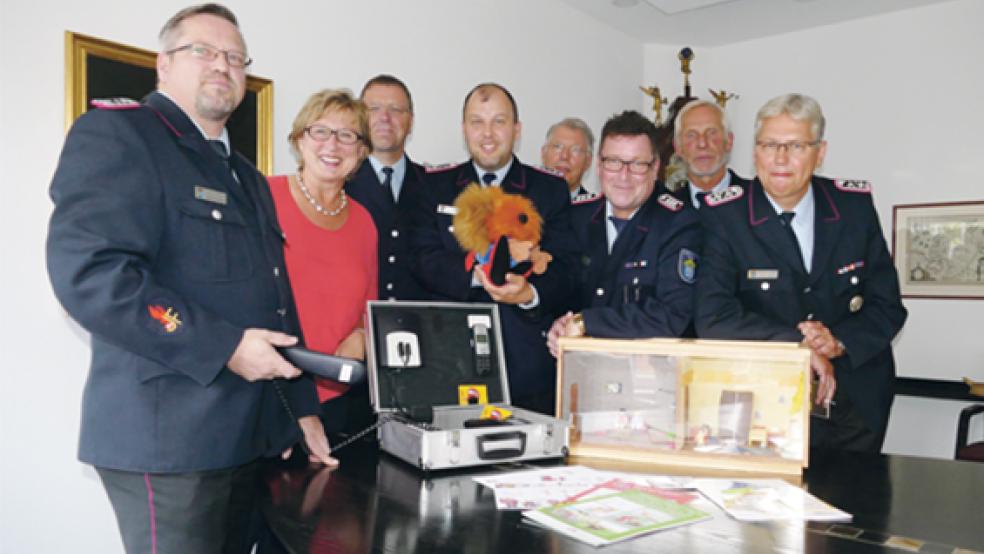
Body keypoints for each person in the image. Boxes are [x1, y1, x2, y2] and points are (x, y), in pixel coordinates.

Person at [45, 4, 331, 553]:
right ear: (163, 64)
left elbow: (274, 302)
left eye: (234, 57)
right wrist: (223, 346)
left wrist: (304, 410)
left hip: (248, 438)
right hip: (169, 439)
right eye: (202, 50)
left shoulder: (244, 173)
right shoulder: (120, 133)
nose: (221, 65)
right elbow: (92, 274)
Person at [695, 93, 907, 453]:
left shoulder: (853, 208)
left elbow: (888, 306)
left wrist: (838, 340)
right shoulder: (724, 216)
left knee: (856, 503)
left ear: (819, 152)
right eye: (769, 145)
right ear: (755, 152)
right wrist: (796, 344)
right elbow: (713, 316)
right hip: (764, 402)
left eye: (795, 145)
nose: (780, 158)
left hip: (856, 400)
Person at [409, 83, 578, 414]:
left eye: (499, 121)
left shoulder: (549, 190)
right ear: (464, 129)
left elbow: (568, 269)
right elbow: (421, 259)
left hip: (527, 371)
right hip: (450, 362)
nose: (488, 133)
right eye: (477, 122)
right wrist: (478, 275)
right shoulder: (432, 187)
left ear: (516, 130)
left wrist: (529, 292)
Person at [267, 89, 377, 438]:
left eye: (347, 135)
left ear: (361, 153)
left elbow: (369, 307)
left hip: (336, 400)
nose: (333, 145)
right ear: (299, 140)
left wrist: (362, 335)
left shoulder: (364, 222)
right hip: (269, 396)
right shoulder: (263, 197)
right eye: (320, 131)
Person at [547, 111, 701, 356]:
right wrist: (557, 327)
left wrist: (585, 322)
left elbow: (672, 315)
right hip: (577, 372)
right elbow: (557, 291)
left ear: (655, 167)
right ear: (599, 166)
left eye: (637, 164)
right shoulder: (576, 218)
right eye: (614, 162)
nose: (624, 176)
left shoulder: (678, 223)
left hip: (650, 377)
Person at [347, 74, 429, 301]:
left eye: (395, 109)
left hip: (417, 325)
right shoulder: (339, 184)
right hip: (357, 328)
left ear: (410, 122)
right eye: (374, 108)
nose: (384, 118)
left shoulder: (432, 186)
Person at [672, 99, 748, 209]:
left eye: (712, 133)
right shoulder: (665, 213)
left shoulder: (758, 201)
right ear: (678, 147)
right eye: (691, 135)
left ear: (729, 141)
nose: (702, 144)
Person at [540, 117, 594, 198]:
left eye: (575, 150)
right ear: (543, 153)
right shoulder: (520, 200)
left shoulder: (596, 209)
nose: (564, 156)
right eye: (558, 147)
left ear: (588, 161)